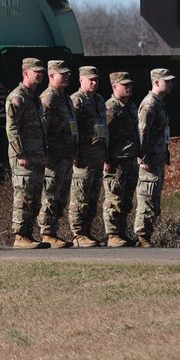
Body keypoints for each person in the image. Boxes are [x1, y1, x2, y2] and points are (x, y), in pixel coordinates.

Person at [5, 58, 51, 249]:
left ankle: (28, 234)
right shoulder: (17, 97)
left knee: (33, 196)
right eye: (36, 71)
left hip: (37, 155)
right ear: (26, 73)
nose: (40, 74)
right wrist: (20, 153)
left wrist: (44, 152)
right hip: (23, 158)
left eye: (41, 71)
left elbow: (41, 128)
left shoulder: (34, 97)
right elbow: (12, 129)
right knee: (23, 195)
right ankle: (20, 236)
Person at [38, 60, 77, 248]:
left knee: (61, 196)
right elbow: (42, 128)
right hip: (53, 157)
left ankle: (53, 231)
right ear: (52, 76)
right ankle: (46, 233)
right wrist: (44, 152)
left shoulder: (65, 97)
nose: (67, 76)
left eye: (68, 73)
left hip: (66, 156)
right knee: (51, 195)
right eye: (63, 73)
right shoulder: (48, 98)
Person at [135, 68, 175, 247]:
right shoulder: (149, 104)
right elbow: (142, 133)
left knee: (154, 198)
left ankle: (148, 235)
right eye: (167, 81)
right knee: (147, 196)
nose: (171, 84)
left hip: (157, 159)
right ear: (156, 82)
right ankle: (142, 236)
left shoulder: (160, 103)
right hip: (149, 161)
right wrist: (143, 158)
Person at [69, 65, 108, 247]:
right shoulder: (76, 101)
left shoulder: (99, 100)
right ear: (81, 80)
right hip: (83, 157)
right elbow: (72, 129)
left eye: (96, 80)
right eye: (90, 79)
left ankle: (87, 231)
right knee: (80, 196)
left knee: (92, 197)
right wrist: (75, 153)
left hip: (97, 156)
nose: (93, 83)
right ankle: (78, 234)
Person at [103, 72, 140, 247]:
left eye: (129, 84)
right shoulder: (110, 108)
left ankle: (122, 231)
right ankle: (112, 234)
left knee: (126, 199)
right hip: (116, 160)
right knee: (114, 198)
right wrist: (106, 158)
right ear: (114, 87)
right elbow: (103, 135)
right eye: (124, 84)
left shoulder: (131, 106)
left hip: (130, 159)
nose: (128, 87)